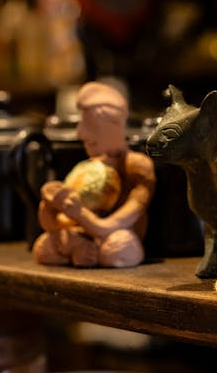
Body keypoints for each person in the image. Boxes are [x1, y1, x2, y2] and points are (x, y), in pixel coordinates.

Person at [33, 82, 156, 267]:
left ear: (115, 125)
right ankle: (82, 249)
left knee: (116, 250)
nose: (80, 133)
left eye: (89, 124)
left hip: (111, 235)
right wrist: (51, 203)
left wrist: (79, 213)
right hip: (85, 231)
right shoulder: (91, 167)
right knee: (44, 249)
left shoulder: (137, 166)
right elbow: (54, 224)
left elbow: (109, 226)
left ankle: (84, 251)